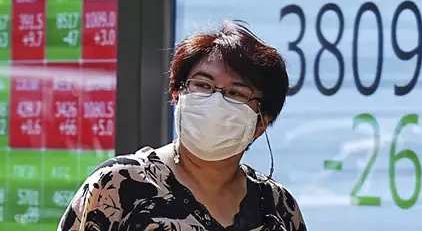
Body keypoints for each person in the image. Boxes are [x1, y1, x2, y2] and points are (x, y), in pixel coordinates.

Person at [58, 20, 307, 231]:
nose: (216, 101)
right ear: (178, 95)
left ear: (261, 123)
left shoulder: (277, 206)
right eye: (202, 85)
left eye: (236, 93)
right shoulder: (117, 185)